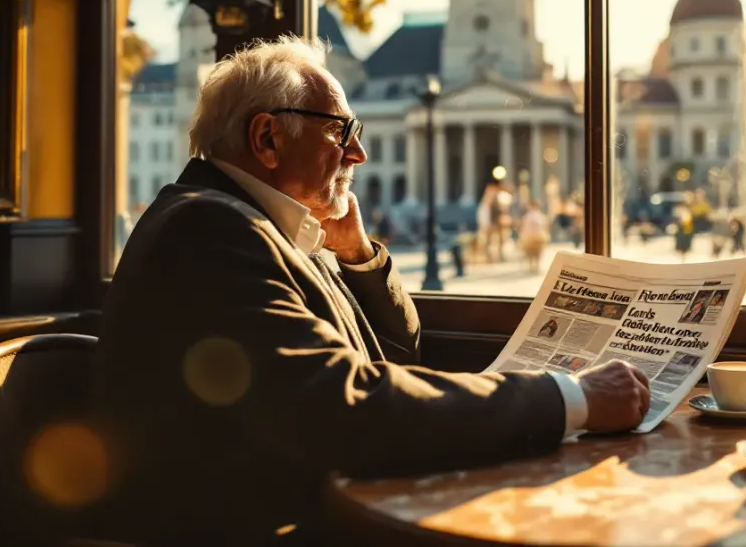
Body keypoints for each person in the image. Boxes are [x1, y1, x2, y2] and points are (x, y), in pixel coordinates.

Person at [94, 36, 651, 546]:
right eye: (341, 131)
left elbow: (392, 354)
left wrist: (358, 255)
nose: (358, 154)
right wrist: (571, 399)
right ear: (266, 138)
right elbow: (344, 407)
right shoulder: (209, 230)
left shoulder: (260, 223)